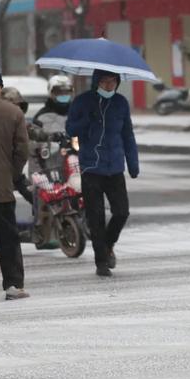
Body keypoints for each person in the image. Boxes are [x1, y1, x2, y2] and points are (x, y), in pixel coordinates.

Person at [66, 69, 139, 277]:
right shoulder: (82, 102)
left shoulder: (121, 103)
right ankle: (101, 262)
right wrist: (88, 119)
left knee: (121, 212)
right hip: (91, 168)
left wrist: (132, 163)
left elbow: (128, 135)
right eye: (105, 81)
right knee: (95, 217)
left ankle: (107, 245)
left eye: (113, 81)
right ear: (97, 82)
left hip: (114, 167)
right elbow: (70, 129)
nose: (109, 86)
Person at [0, 55, 29, 300]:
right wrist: (10, 175)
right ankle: (13, 285)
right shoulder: (13, 112)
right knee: (6, 234)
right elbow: (22, 150)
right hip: (0, 184)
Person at [1, 86, 61, 204]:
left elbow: (33, 131)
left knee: (31, 193)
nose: (17, 110)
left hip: (13, 170)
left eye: (19, 107)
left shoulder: (20, 123)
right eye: (14, 106)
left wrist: (54, 136)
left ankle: (42, 212)